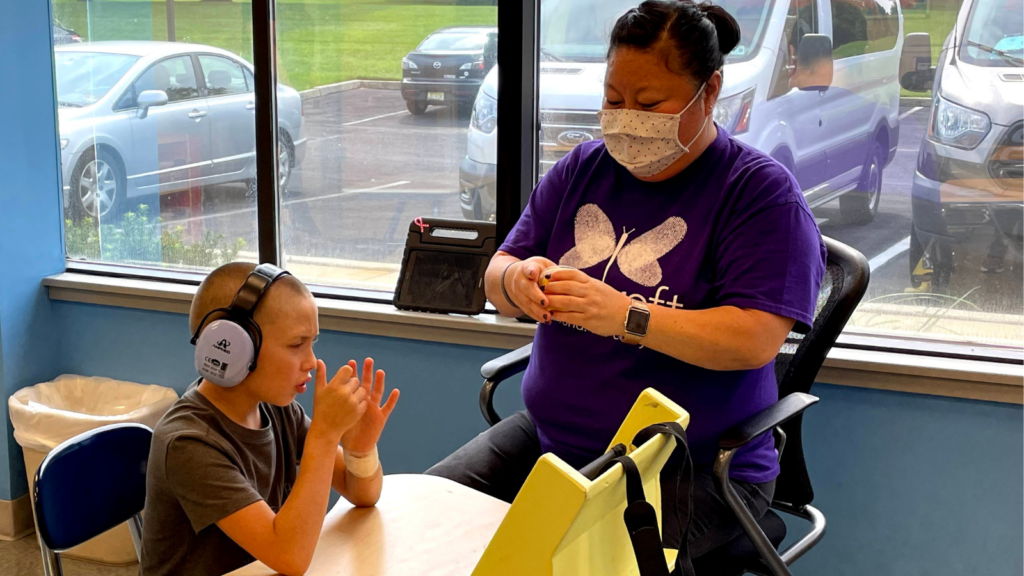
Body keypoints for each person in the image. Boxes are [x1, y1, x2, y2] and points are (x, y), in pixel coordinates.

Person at [427, 0, 826, 566]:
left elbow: (754, 339)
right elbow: (498, 273)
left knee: (562, 563)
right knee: (422, 520)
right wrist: (517, 279)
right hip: (554, 445)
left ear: (709, 92)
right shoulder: (581, 169)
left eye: (649, 103)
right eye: (613, 100)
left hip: (692, 466)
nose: (625, 118)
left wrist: (624, 316)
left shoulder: (759, 195)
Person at [141, 263, 400, 576]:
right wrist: (325, 435)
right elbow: (290, 557)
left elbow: (363, 493)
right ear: (233, 347)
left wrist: (360, 451)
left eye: (312, 343)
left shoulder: (277, 410)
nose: (312, 362)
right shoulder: (188, 442)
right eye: (296, 344)